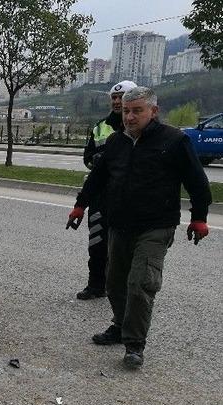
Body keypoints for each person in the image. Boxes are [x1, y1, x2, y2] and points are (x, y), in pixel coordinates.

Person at [67, 86, 212, 369]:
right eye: (126, 111)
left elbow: (197, 183)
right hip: (119, 224)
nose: (130, 117)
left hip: (156, 226)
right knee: (114, 283)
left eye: (137, 111)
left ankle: (134, 345)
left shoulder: (174, 141)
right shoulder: (116, 143)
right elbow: (97, 178)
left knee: (140, 284)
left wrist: (199, 217)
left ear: (153, 111)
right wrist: (79, 205)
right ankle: (120, 326)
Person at [75, 80, 137, 300]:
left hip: (129, 199)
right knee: (97, 243)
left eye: (122, 97)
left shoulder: (138, 126)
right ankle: (96, 285)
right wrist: (100, 162)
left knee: (126, 247)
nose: (117, 102)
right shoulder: (101, 126)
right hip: (101, 196)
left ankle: (125, 288)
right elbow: (88, 157)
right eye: (114, 98)